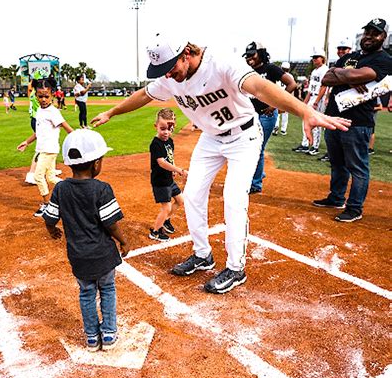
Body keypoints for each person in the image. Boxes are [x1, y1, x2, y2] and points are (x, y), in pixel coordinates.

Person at [91, 34, 351, 294]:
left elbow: (260, 88)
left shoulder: (221, 63)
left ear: (186, 54)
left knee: (234, 198)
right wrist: (111, 112)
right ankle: (203, 255)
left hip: (243, 135)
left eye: (171, 68)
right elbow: (144, 95)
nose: (168, 75)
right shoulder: (171, 78)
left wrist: (304, 110)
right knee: (192, 194)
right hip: (211, 138)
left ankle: (236, 267)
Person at [43, 129, 130, 350]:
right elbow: (110, 223)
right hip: (103, 254)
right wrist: (124, 241)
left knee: (87, 293)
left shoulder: (61, 188)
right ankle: (109, 334)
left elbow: (50, 217)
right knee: (108, 289)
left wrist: (51, 230)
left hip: (78, 256)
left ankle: (92, 337)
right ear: (96, 164)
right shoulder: (101, 189)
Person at [313, 18, 392, 222]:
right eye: (367, 32)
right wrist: (350, 76)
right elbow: (326, 78)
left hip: (358, 122)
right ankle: (336, 198)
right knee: (337, 163)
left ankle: (354, 208)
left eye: (375, 33)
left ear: (383, 37)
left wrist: (344, 75)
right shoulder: (350, 56)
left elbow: (365, 74)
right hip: (333, 117)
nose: (369, 37)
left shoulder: (384, 59)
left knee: (358, 167)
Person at [243, 42, 296, 194]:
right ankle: (259, 174)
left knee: (257, 148)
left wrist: (275, 105)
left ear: (260, 53)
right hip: (251, 115)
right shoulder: (248, 71)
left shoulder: (270, 68)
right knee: (252, 147)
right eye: (247, 56)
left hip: (266, 115)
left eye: (252, 54)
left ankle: (256, 184)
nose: (249, 58)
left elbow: (291, 84)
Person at [17, 79, 73, 216]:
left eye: (46, 96)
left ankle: (47, 205)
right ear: (36, 95)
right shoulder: (40, 111)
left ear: (52, 95)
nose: (43, 99)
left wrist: (78, 137)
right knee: (51, 178)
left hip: (49, 150)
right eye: (40, 96)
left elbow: (66, 127)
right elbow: (38, 132)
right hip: (43, 149)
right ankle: (73, 190)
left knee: (37, 176)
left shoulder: (53, 112)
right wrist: (27, 142)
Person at [149, 108, 187, 241]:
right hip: (160, 181)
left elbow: (170, 157)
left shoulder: (170, 141)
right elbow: (161, 162)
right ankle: (155, 231)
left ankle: (165, 221)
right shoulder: (156, 144)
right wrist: (178, 170)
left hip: (169, 179)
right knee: (166, 207)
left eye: (170, 129)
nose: (166, 132)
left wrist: (173, 169)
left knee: (180, 200)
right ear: (156, 126)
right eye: (163, 128)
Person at [317, 39, 353, 162]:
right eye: (339, 48)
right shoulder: (337, 63)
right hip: (334, 105)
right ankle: (329, 153)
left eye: (344, 48)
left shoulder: (354, 63)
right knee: (331, 131)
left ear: (350, 50)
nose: (341, 51)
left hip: (348, 107)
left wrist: (336, 75)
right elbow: (326, 81)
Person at [292, 49, 329, 155]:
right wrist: (305, 102)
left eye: (316, 57)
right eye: (313, 57)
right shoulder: (314, 71)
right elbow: (310, 89)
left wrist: (317, 101)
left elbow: (324, 86)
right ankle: (305, 144)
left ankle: (315, 147)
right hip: (312, 96)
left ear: (322, 58)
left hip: (319, 97)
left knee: (316, 122)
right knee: (306, 120)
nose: (314, 59)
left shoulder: (324, 70)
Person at [272, 61, 295, 136]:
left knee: (277, 113)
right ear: (288, 69)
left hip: (278, 95)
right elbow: (293, 87)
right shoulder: (290, 76)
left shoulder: (278, 74)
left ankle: (276, 126)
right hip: (287, 96)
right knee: (285, 114)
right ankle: (283, 130)